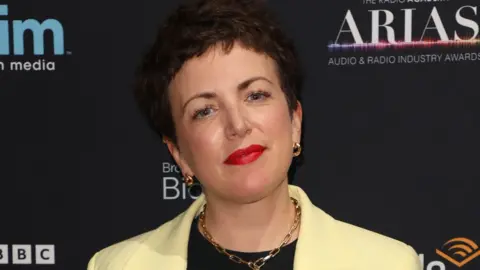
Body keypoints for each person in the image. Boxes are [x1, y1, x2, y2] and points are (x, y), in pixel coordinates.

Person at [87, 0, 421, 269]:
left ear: (294, 121)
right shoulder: (117, 266)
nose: (237, 125)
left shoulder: (386, 263)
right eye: (205, 110)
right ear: (178, 153)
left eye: (255, 95)